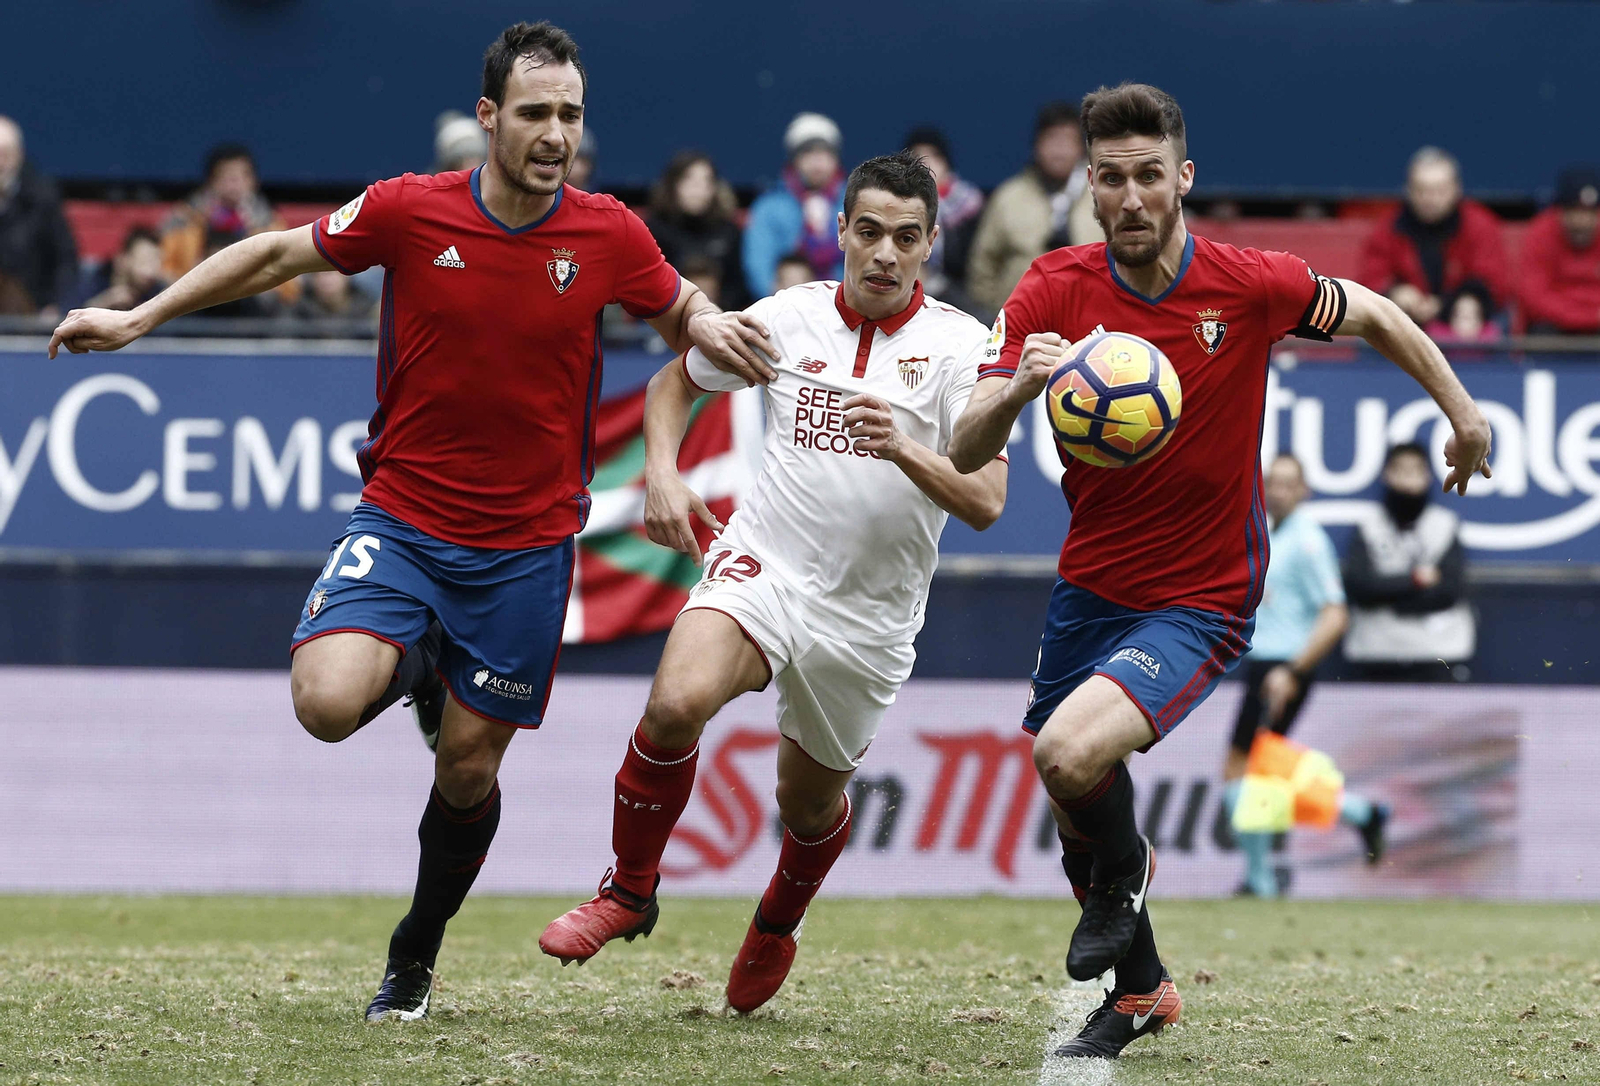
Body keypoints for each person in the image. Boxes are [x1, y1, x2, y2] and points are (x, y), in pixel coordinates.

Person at [47, 20, 775, 1025]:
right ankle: (422, 663)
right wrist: (137, 319)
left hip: (525, 551)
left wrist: (710, 332)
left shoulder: (609, 231)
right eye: (534, 114)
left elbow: (679, 310)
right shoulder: (405, 210)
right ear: (488, 118)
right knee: (326, 703)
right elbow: (269, 256)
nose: (555, 133)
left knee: (467, 767)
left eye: (570, 113)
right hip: (403, 522)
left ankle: (415, 952)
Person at [947, 83, 1491, 1061]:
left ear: (1182, 178)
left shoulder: (1248, 284)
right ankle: (1144, 988)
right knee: (1079, 811)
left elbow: (1371, 313)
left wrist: (1462, 410)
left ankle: (1132, 874)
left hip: (1199, 596)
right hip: (1089, 588)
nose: (1130, 198)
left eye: (1148, 175)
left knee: (1068, 757)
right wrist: (1023, 381)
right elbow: (961, 443)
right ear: (1090, 186)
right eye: (1108, 178)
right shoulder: (1048, 289)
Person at [538, 152, 1008, 1014]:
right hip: (767, 565)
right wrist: (664, 474)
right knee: (677, 701)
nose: (884, 254)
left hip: (868, 620)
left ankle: (777, 921)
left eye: (907, 238)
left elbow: (986, 502)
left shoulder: (961, 348)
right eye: (868, 232)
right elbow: (674, 382)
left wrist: (903, 445)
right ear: (839, 231)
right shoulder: (786, 318)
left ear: (932, 244)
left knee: (807, 802)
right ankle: (628, 889)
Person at [1222, 454, 1386, 899]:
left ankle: (1262, 878)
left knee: (1246, 776)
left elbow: (1335, 615)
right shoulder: (1269, 533)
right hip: (1264, 665)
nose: (1277, 490)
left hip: (1282, 668)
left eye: (1288, 483)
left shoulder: (1309, 541)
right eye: (1271, 481)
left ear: (1305, 490)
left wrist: (1293, 670)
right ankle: (1361, 814)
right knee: (1259, 775)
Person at [1343, 443, 1474, 682]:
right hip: (1375, 653)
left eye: (1416, 471)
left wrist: (1391, 599)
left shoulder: (1445, 525)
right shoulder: (1368, 526)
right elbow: (1360, 587)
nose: (1408, 480)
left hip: (1438, 653)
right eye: (1400, 470)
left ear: (1428, 476)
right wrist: (1415, 580)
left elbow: (1449, 591)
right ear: (1386, 475)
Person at [1358, 147, 1508, 333]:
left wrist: (1465, 302)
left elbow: (1494, 283)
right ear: (1408, 190)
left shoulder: (1480, 225)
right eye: (1421, 190)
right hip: (1404, 323)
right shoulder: (1388, 227)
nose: (1430, 199)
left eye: (1439, 190)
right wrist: (1394, 294)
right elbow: (1369, 280)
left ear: (1456, 189)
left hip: (1463, 323)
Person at [966, 102, 1096, 315]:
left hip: (1092, 321)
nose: (1059, 150)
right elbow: (982, 267)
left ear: (1081, 148)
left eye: (1067, 140)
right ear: (1036, 145)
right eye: (1051, 140)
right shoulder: (1008, 197)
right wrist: (997, 318)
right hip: (1018, 322)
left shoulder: (1101, 195)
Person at [743, 112, 846, 298]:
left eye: (824, 153)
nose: (817, 162)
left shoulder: (855, 202)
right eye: (808, 153)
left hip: (847, 307)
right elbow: (758, 265)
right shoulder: (768, 207)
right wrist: (780, 306)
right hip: (787, 307)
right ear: (794, 160)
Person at [161, 143, 285, 281]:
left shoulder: (270, 224)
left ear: (254, 181)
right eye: (226, 175)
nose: (235, 182)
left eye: (243, 175)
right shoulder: (182, 220)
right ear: (211, 181)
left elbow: (286, 287)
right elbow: (164, 272)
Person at [0, 114, 79, 316]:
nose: (0, 163)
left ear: (19, 155)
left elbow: (65, 259)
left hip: (32, 313)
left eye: (5, 154)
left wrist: (56, 306)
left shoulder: (43, 199)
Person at [649, 150, 747, 309]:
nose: (698, 189)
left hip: (722, 318)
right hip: (663, 321)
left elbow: (738, 287)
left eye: (706, 182)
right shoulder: (653, 231)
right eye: (689, 180)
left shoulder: (729, 232)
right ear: (673, 185)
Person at [903, 126, 984, 307]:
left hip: (961, 296)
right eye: (917, 157)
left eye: (933, 156)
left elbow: (979, 262)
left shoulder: (971, 205)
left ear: (946, 162)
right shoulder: (896, 205)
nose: (926, 164)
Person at [1519, 165, 1600, 335]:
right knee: (1541, 333)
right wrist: (1586, 317)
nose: (1582, 221)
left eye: (1589, 212)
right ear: (1560, 211)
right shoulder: (1540, 233)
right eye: (1574, 211)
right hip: (1554, 327)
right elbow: (1533, 298)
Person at [82, 227, 170, 312]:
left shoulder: (157, 289)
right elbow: (72, 315)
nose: (150, 270)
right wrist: (105, 302)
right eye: (143, 260)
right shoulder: (92, 278)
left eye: (155, 261)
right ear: (123, 259)